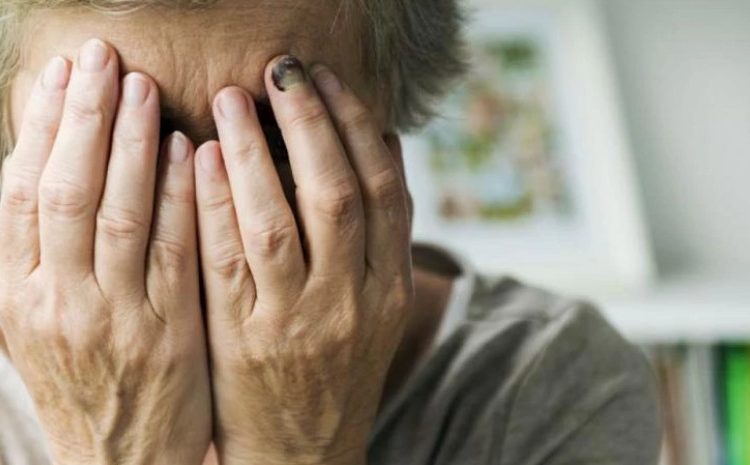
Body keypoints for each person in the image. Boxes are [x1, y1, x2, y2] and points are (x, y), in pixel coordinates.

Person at [0, 1, 661, 464]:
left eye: (276, 139)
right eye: (114, 136)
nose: (207, 208)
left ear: (389, 113)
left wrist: (299, 449)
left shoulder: (551, 383)